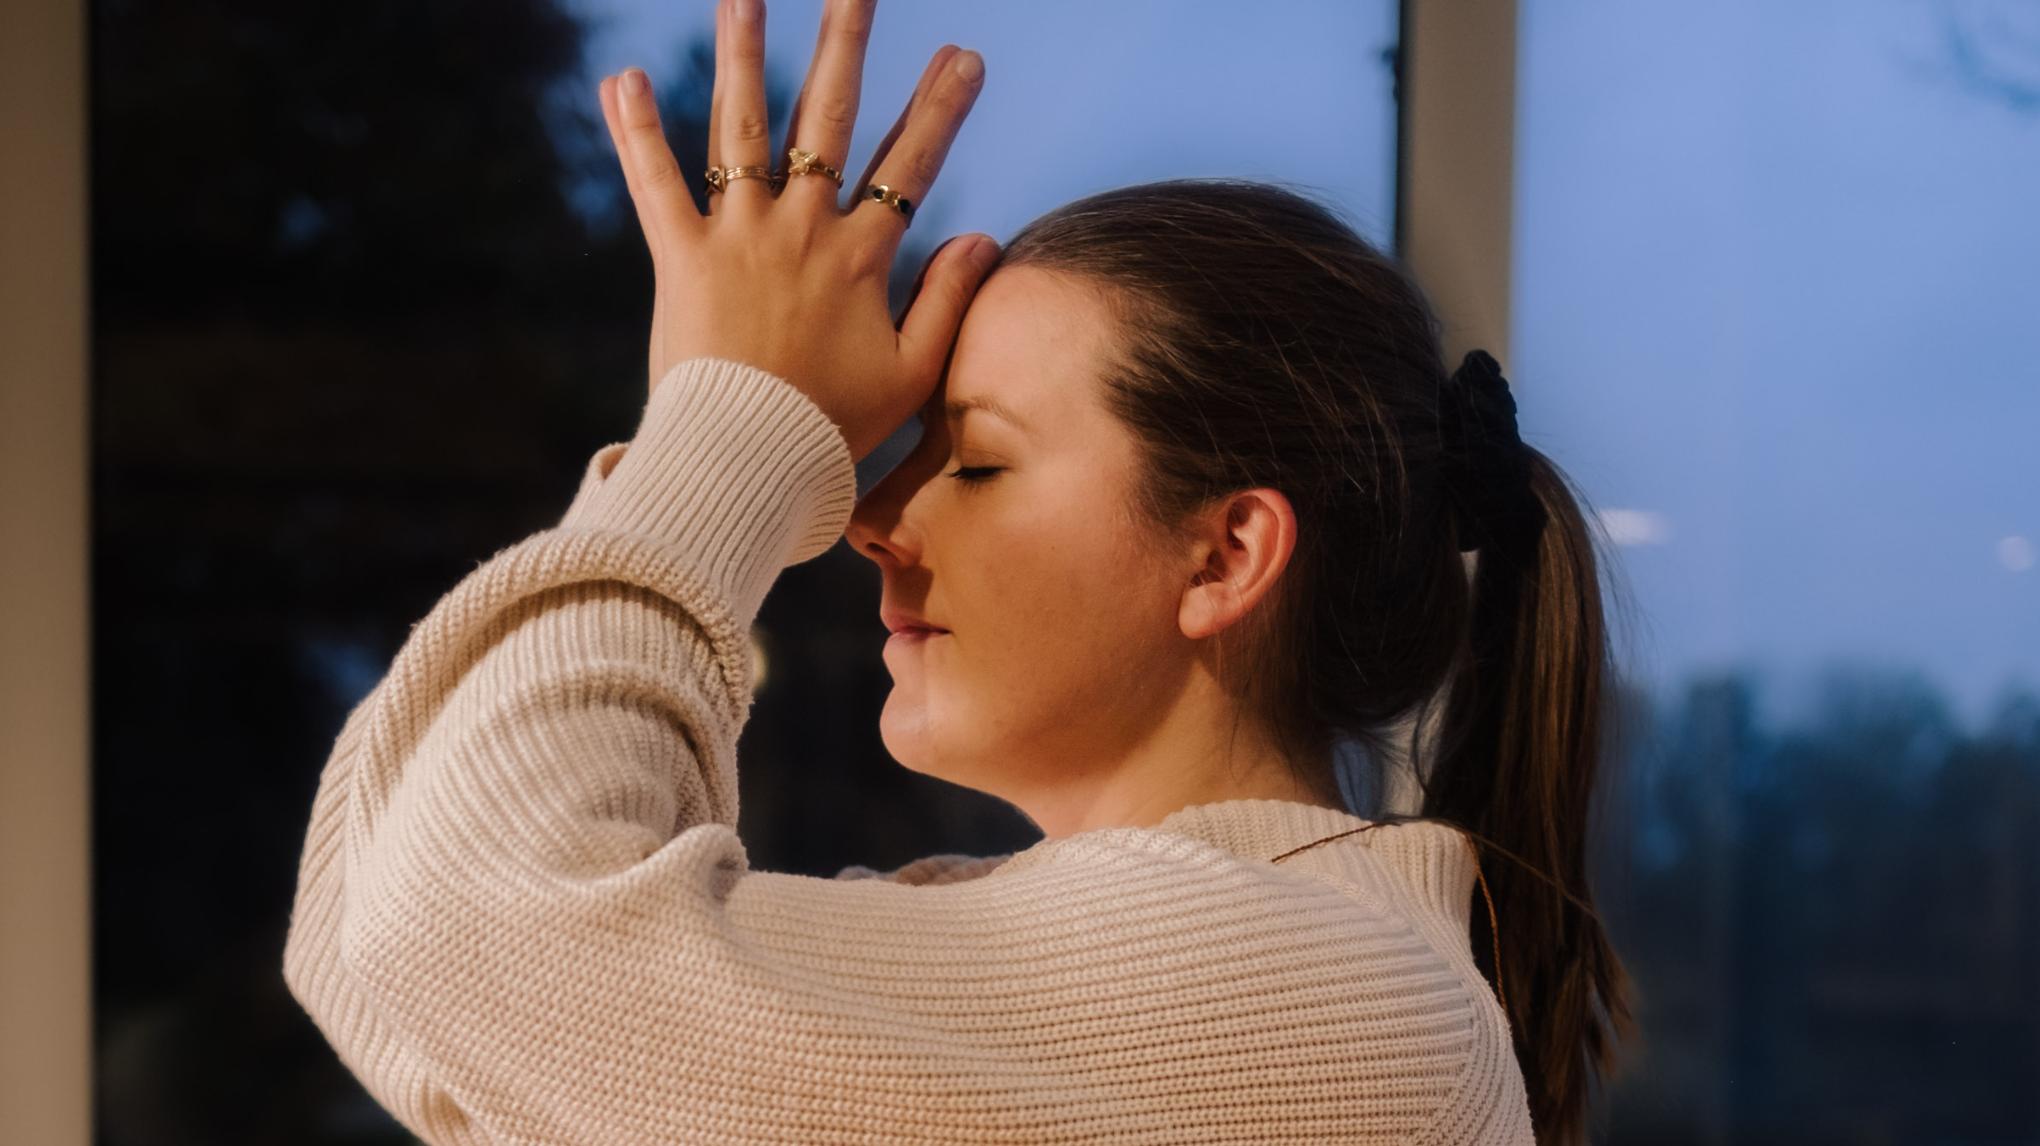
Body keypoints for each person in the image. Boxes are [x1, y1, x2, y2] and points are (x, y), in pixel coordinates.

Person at [283, 0, 1634, 1142]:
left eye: (975, 462)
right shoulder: (1182, 969)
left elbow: (470, 927)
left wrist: (729, 423)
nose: (873, 517)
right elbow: (371, 944)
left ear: (1225, 553)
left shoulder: (1317, 994)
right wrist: (694, 437)